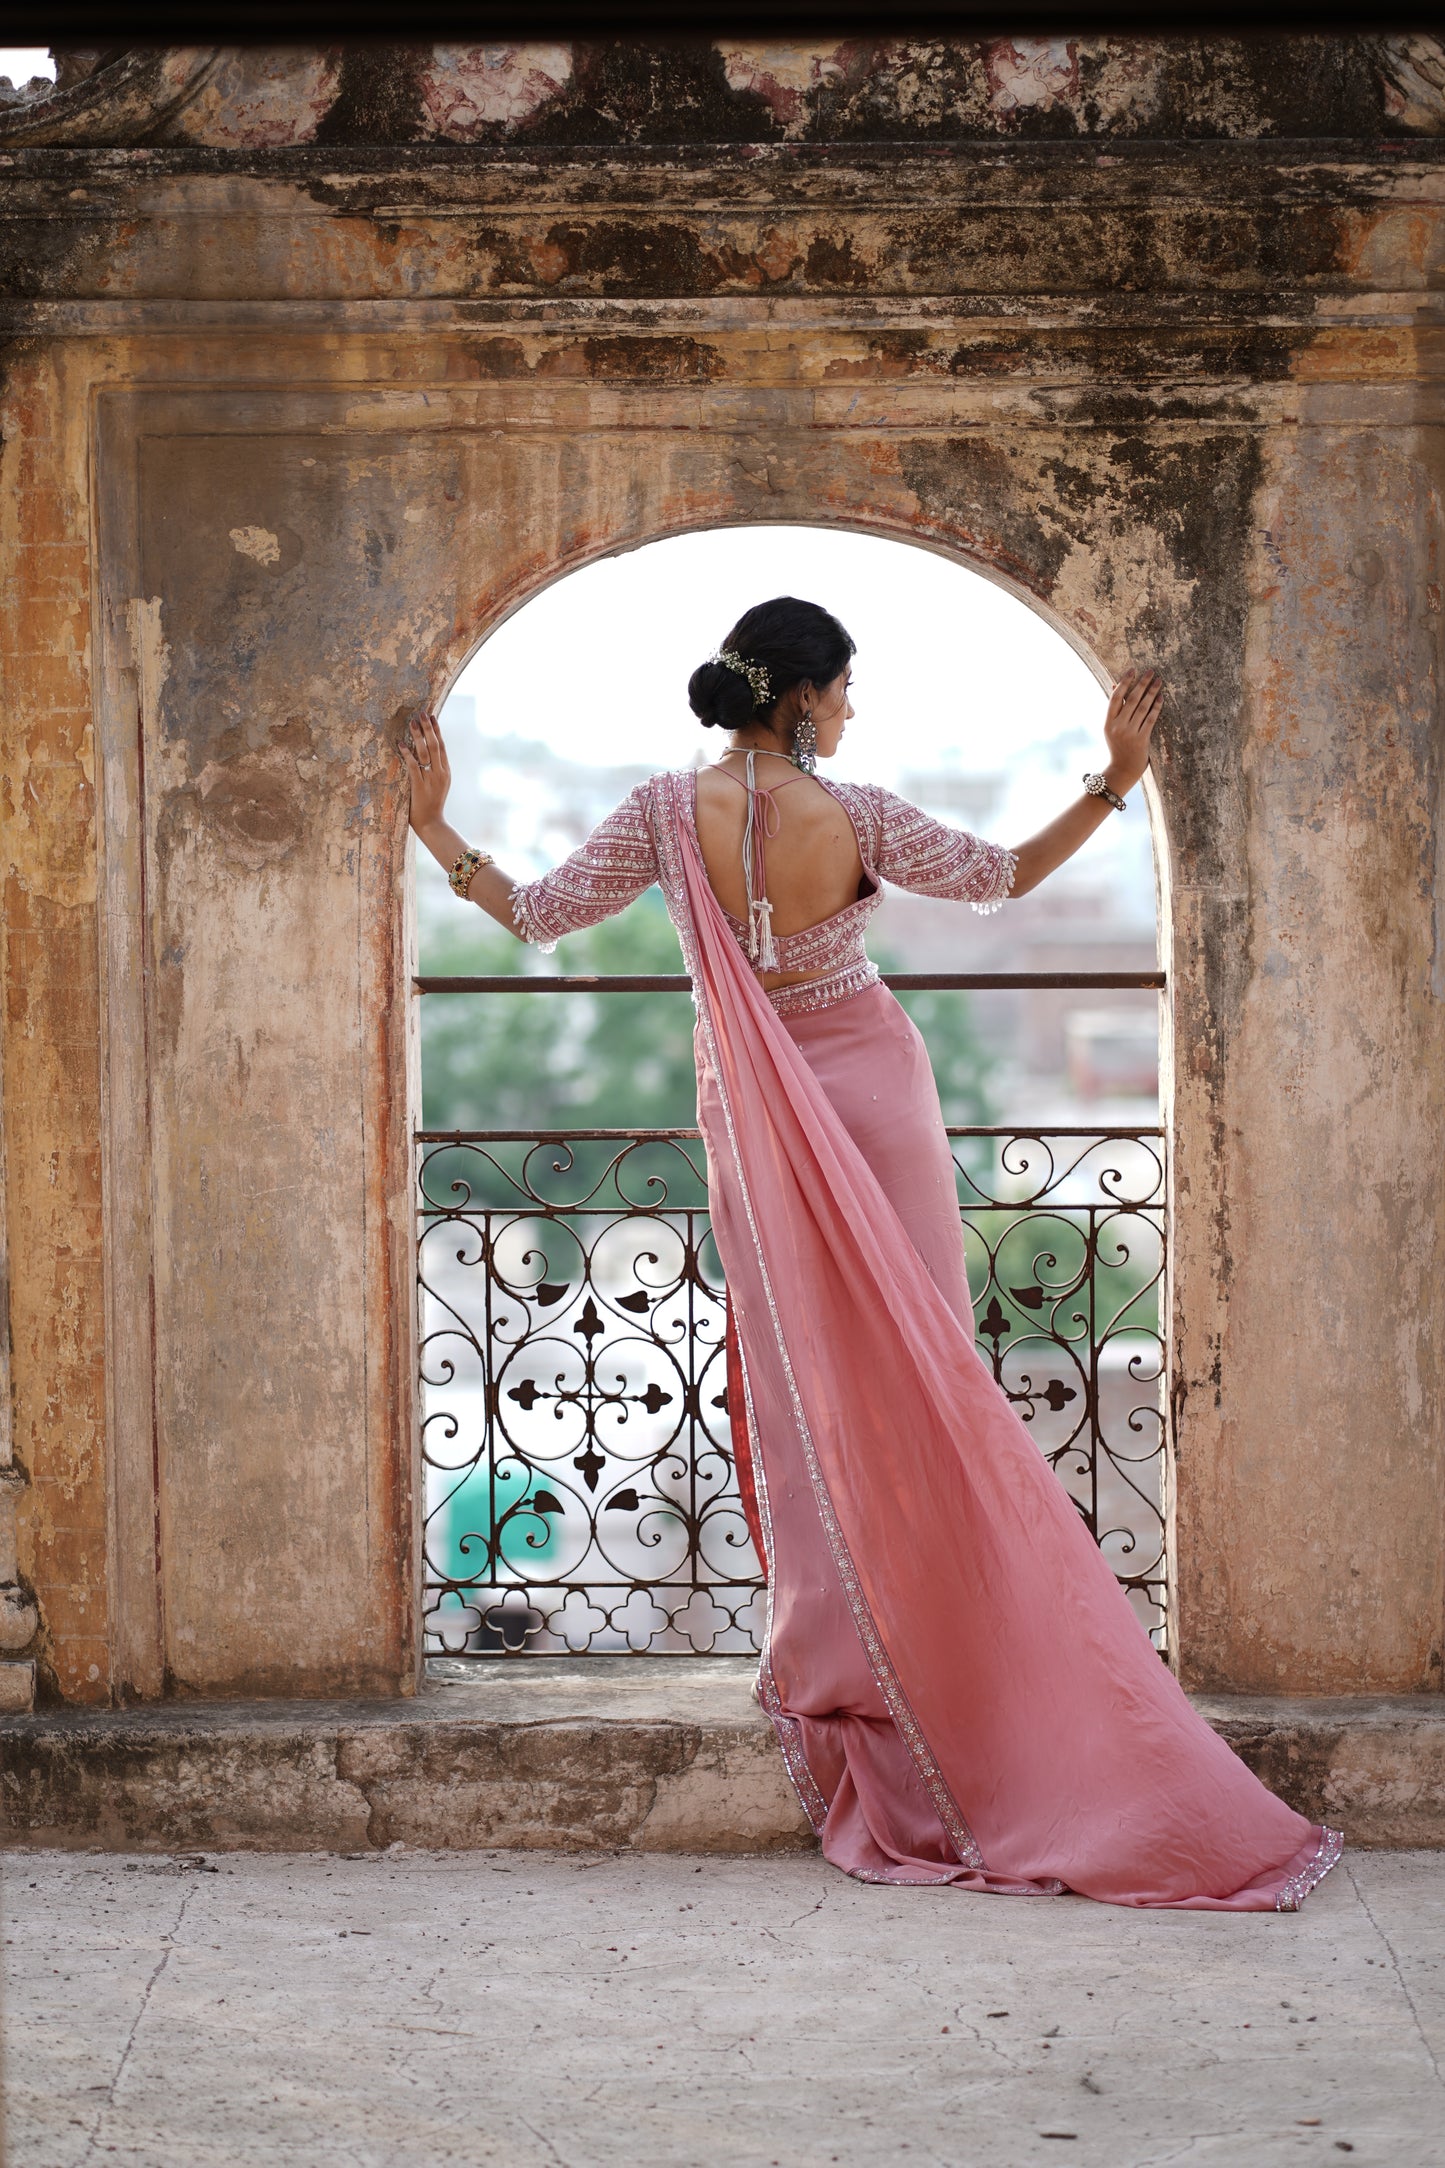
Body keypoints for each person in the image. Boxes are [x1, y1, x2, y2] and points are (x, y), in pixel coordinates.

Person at [401, 595, 1342, 1911]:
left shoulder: (663, 814)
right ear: (800, 695)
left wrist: (432, 822)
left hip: (759, 1107)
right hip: (874, 1088)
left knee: (804, 1388)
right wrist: (1109, 781)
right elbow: (999, 877)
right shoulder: (861, 815)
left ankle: (846, 1650)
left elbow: (540, 915)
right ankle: (964, 1641)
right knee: (927, 1373)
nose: (852, 709)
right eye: (844, 688)